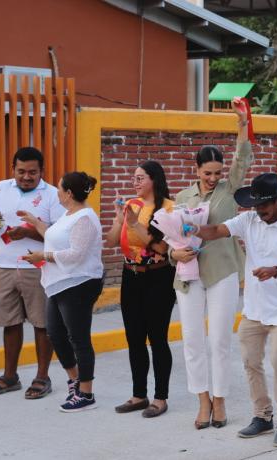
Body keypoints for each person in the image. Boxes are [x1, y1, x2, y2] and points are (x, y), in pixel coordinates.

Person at [190, 172, 277, 447]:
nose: (259, 210)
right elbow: (217, 231)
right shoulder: (249, 220)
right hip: (254, 308)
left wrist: (275, 270)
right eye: (255, 205)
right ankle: (262, 416)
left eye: (263, 205)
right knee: (251, 362)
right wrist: (191, 229)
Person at [170, 99, 253, 429]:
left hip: (223, 271)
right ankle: (202, 400)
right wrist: (174, 254)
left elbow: (242, 158)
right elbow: (171, 237)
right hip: (188, 275)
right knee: (192, 340)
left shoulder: (229, 189)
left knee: (219, 340)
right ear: (196, 170)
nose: (213, 178)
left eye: (217, 173)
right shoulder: (181, 198)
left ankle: (220, 400)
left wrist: (242, 123)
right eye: (207, 173)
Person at [0, 147, 65, 399]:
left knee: (42, 324)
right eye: (21, 171)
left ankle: (42, 377)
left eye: (32, 172)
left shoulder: (52, 195)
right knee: (10, 322)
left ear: (42, 171)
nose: (26, 177)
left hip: (37, 268)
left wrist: (28, 232)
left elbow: (58, 236)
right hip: (4, 266)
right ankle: (10, 376)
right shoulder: (0, 188)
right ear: (13, 169)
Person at [21, 171, 104, 412]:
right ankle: (75, 380)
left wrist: (43, 255)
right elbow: (55, 236)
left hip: (78, 284)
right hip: (59, 283)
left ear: (68, 193)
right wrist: (35, 222)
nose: (56, 192)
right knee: (56, 334)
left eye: (59, 188)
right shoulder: (69, 215)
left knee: (79, 338)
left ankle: (86, 394)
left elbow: (76, 254)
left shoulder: (85, 218)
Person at [106, 161, 177, 418]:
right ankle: (139, 394)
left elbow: (161, 248)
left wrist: (135, 224)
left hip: (158, 277)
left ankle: (160, 397)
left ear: (154, 179)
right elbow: (111, 241)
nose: (135, 183)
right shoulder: (131, 205)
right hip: (131, 275)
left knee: (157, 338)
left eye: (140, 178)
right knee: (134, 338)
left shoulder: (169, 208)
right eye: (134, 178)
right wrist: (119, 219)